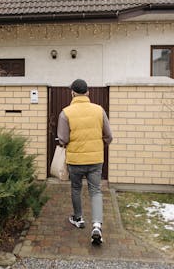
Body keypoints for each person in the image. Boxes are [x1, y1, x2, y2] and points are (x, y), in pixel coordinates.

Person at [57, 79, 113, 245]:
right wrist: (99, 144)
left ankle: (78, 218)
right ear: (88, 92)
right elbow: (109, 136)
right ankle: (96, 225)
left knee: (76, 188)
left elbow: (63, 139)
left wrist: (64, 143)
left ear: (72, 93)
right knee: (95, 190)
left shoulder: (65, 113)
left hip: (75, 160)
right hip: (96, 159)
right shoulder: (99, 110)